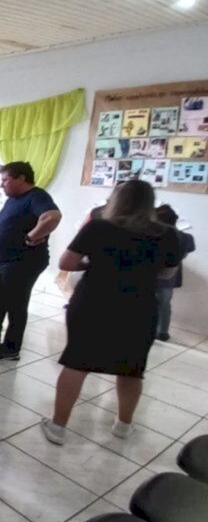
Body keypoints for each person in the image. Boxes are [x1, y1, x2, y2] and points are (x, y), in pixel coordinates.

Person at [42, 180, 179, 445]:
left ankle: (58, 427)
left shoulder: (99, 226)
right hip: (139, 306)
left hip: (94, 302)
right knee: (132, 369)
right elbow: (167, 272)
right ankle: (123, 426)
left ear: (116, 199)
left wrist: (95, 262)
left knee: (77, 362)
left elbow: (67, 262)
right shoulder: (166, 233)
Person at [0, 161, 61, 362]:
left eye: (5, 180)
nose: (2, 185)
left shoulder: (37, 196)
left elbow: (52, 217)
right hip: (4, 258)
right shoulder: (13, 199)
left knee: (16, 303)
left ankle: (11, 347)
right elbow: (1, 226)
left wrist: (31, 237)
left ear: (21, 178)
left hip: (23, 261)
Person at [153, 205, 195, 342]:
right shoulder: (186, 237)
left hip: (152, 274)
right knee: (165, 304)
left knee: (148, 303)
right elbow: (184, 256)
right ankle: (163, 332)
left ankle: (149, 330)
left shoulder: (157, 235)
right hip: (172, 274)